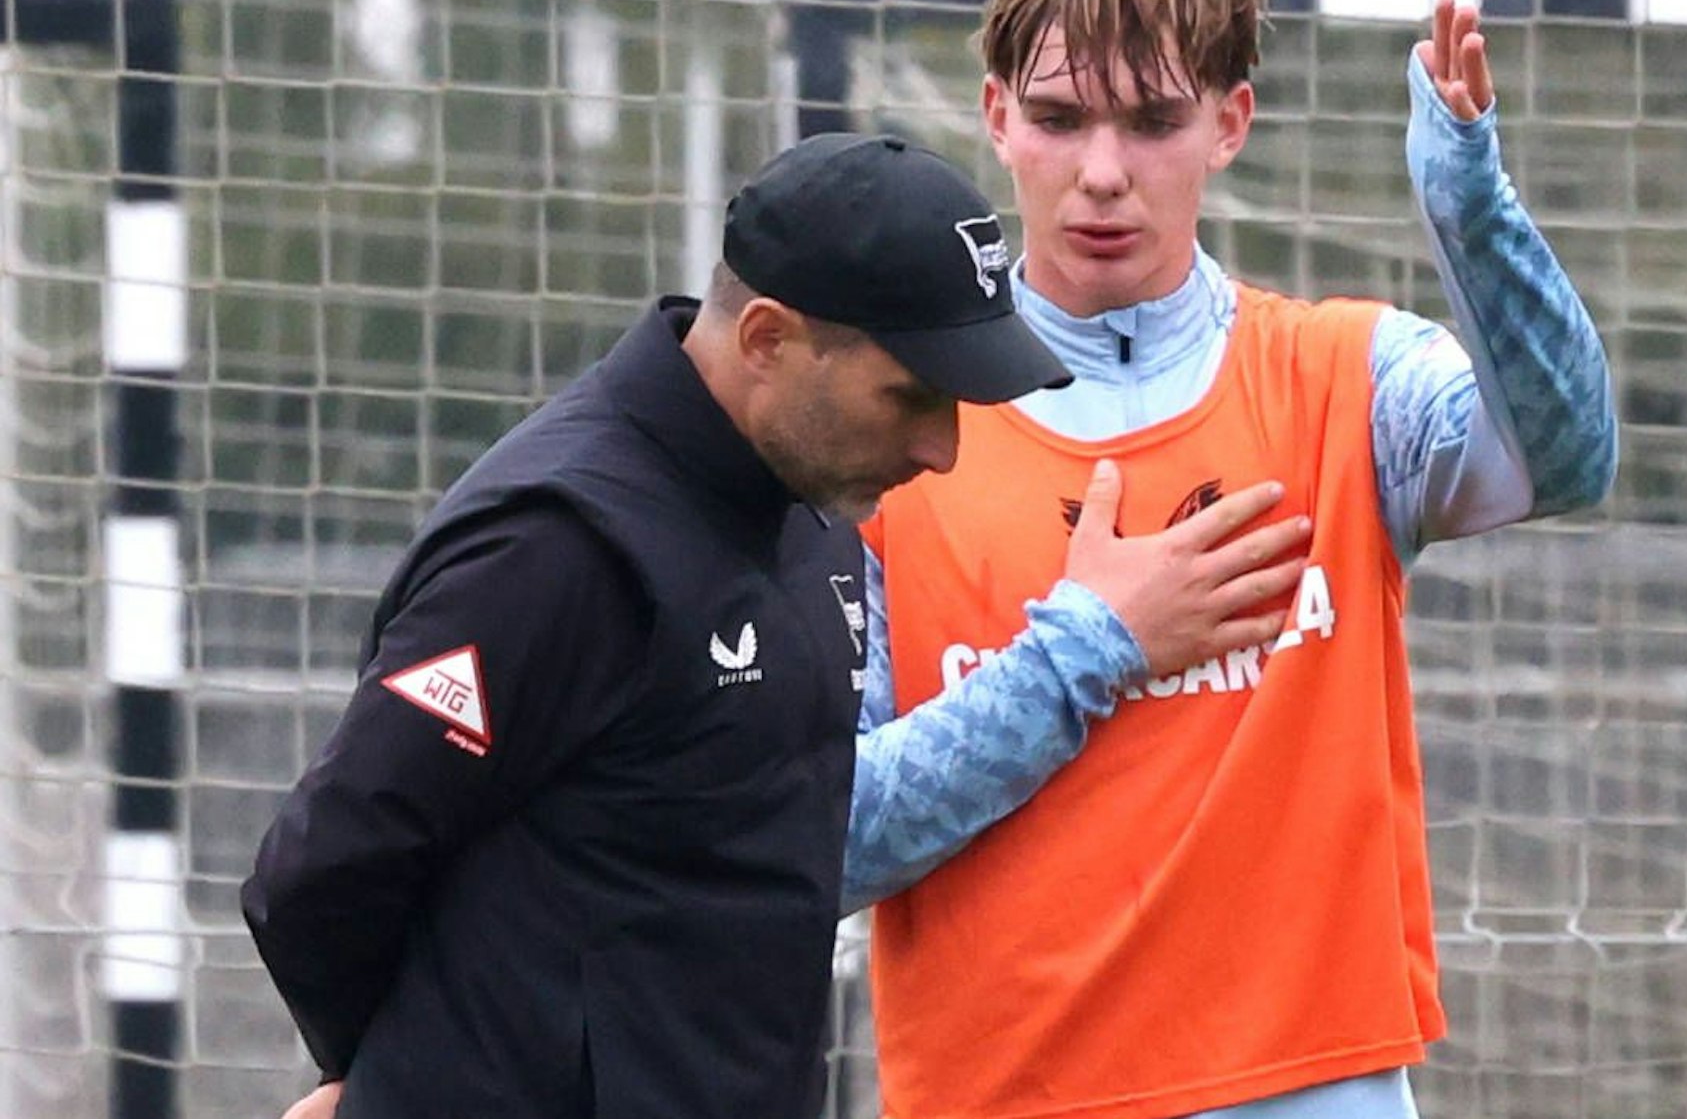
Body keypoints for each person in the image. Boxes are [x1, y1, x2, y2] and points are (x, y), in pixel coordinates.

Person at [242, 130, 1314, 1119]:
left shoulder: (814, 528)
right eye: (910, 397)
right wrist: (380, 1078)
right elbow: (323, 866)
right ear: (768, 339)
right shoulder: (560, 546)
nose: (941, 450)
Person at [846, 0, 1620, 1119]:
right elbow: (827, 833)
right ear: (996, 118)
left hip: (1310, 1089)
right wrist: (1087, 650)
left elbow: (1566, 458)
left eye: (1152, 120)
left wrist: (1473, 213)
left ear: (1227, 123)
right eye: (1058, 118)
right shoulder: (888, 436)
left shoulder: (1344, 379)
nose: (1102, 172)